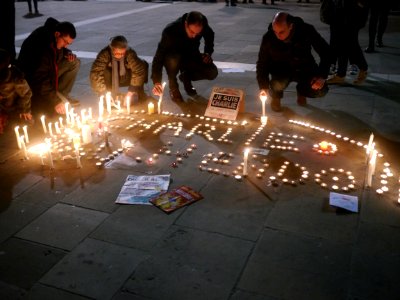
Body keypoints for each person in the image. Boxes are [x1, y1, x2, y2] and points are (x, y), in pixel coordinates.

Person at [256, 12, 330, 112]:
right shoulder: (269, 37)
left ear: (291, 26)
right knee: (277, 84)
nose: (278, 36)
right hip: (281, 71)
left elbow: (326, 52)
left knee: (320, 90)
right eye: (275, 31)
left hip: (304, 68)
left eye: (281, 32)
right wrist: (263, 87)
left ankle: (302, 91)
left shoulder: (306, 30)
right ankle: (276, 97)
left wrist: (321, 76)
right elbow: (262, 63)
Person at [17, 17, 80, 117]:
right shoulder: (41, 46)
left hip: (49, 69)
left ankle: (61, 94)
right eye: (65, 42)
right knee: (60, 113)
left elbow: (60, 49)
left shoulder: (55, 35)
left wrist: (68, 53)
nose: (66, 46)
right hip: (31, 79)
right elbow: (40, 78)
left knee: (74, 62)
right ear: (57, 34)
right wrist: (55, 101)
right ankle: (56, 96)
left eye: (69, 44)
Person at [151, 11, 218, 102]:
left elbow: (210, 35)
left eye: (197, 34)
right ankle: (173, 87)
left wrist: (208, 53)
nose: (194, 36)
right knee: (172, 61)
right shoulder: (170, 31)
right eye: (191, 32)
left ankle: (186, 76)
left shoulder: (203, 26)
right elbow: (158, 57)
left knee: (212, 72)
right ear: (186, 24)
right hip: (173, 58)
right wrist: (157, 81)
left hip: (191, 54)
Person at [90, 35, 149, 103]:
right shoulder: (105, 54)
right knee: (105, 71)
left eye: (122, 53)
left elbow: (138, 70)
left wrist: (131, 90)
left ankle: (140, 92)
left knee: (142, 65)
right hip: (110, 79)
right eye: (117, 53)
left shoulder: (130, 53)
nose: (120, 55)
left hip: (126, 76)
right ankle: (108, 98)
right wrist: (103, 92)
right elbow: (96, 73)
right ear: (112, 49)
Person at [327, 0, 368, 85]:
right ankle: (341, 74)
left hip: (350, 14)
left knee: (351, 44)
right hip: (340, 12)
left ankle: (363, 68)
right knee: (342, 45)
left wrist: (360, 5)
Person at [0, 49, 32, 134]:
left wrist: (23, 109)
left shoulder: (15, 78)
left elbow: (27, 93)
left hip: (13, 110)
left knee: (25, 126)